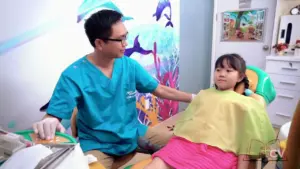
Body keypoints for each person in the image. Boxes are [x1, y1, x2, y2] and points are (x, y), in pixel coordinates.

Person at [32, 9, 195, 169]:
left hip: (133, 133)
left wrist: (193, 98)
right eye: (120, 39)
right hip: (98, 145)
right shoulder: (73, 75)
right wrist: (49, 121)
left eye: (126, 36)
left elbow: (159, 89)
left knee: (185, 148)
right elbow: (53, 115)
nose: (126, 43)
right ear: (99, 43)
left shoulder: (129, 65)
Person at [144, 54, 276, 169]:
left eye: (228, 70)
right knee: (158, 162)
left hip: (218, 151)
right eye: (218, 70)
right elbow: (189, 122)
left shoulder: (245, 104)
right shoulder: (204, 95)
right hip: (186, 144)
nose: (222, 74)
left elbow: (246, 143)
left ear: (240, 77)